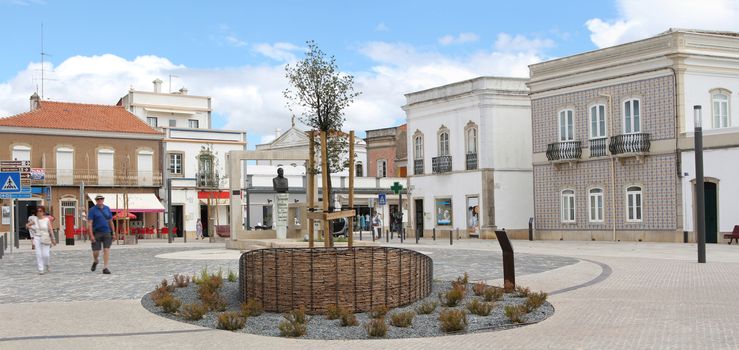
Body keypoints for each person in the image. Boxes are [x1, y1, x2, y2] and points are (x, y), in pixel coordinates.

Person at [88, 195, 114, 274]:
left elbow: (110, 221)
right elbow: (90, 223)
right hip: (97, 232)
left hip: (106, 232)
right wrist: (91, 235)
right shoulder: (92, 210)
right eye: (98, 199)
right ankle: (95, 261)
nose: (100, 200)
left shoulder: (107, 208)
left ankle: (105, 267)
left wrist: (114, 232)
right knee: (96, 251)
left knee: (106, 249)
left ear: (103, 200)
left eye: (101, 199)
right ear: (96, 200)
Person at [27, 206, 56, 274]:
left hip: (45, 237)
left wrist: (53, 239)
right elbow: (27, 225)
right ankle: (41, 269)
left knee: (46, 255)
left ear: (43, 212)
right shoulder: (35, 220)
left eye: (40, 211)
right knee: (38, 254)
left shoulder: (46, 220)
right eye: (38, 211)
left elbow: (50, 229)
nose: (39, 212)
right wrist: (33, 228)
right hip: (37, 238)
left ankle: (47, 264)